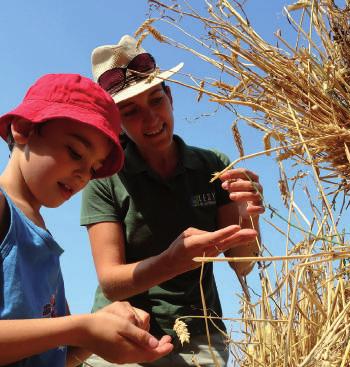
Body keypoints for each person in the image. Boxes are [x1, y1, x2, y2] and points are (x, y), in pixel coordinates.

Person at [80, 35, 264, 367]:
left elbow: (242, 264)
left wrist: (249, 215)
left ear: (171, 98)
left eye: (155, 100)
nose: (150, 119)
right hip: (122, 329)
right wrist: (172, 260)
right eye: (130, 111)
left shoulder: (213, 166)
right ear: (115, 122)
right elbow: (110, 282)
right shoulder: (104, 179)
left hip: (199, 337)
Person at [0, 73, 175, 366]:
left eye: (94, 169)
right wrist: (81, 328)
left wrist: (94, 335)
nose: (83, 176)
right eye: (75, 152)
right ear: (23, 128)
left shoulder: (42, 237)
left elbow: (57, 355)